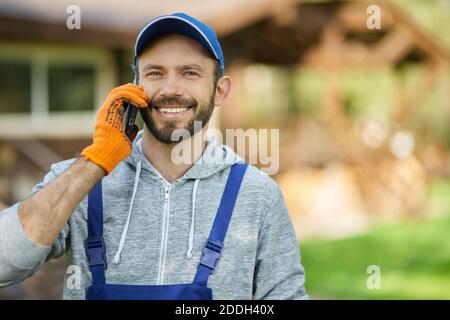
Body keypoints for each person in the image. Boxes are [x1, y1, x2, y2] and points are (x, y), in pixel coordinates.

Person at [0, 13, 308, 300]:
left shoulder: (256, 194)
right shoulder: (81, 181)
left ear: (220, 91)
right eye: (155, 73)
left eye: (190, 73)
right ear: (134, 88)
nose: (170, 88)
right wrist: (96, 162)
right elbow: (5, 264)